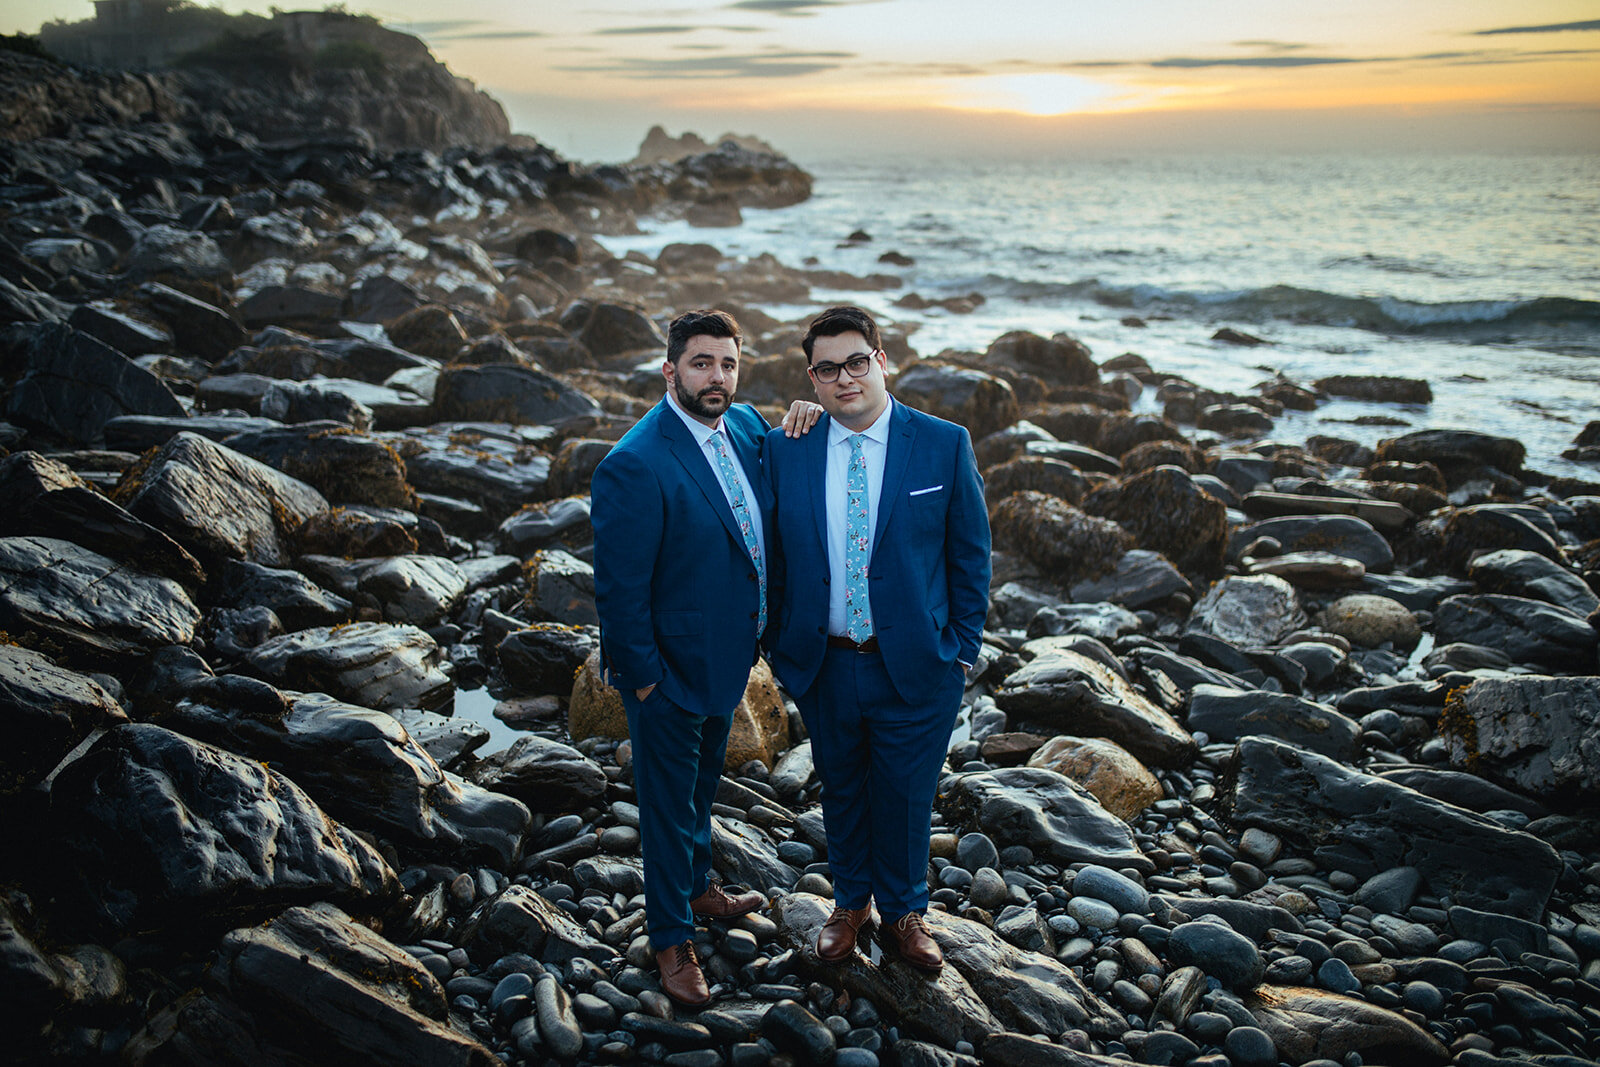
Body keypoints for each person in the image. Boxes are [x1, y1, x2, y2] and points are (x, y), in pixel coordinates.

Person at [763, 305, 992, 973]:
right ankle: (849, 902)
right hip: (824, 660)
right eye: (827, 368)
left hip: (918, 660)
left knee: (906, 792)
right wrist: (781, 646)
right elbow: (770, 550)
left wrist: (963, 648)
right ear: (813, 377)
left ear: (882, 360)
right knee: (841, 785)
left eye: (856, 361)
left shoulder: (944, 443)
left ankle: (905, 913)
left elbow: (970, 554)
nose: (845, 378)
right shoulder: (787, 446)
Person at [590, 309, 778, 1007]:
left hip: (727, 657)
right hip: (666, 672)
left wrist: (806, 417)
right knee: (667, 806)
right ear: (670, 370)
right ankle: (671, 936)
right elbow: (618, 588)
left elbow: (787, 466)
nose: (717, 377)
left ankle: (698, 888)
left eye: (728, 363)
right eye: (701, 363)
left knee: (701, 787)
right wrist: (643, 680)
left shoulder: (749, 426)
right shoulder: (635, 463)